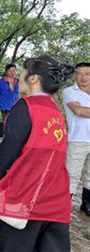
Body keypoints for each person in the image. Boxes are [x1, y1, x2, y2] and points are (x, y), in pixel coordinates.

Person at [0, 56, 74, 251]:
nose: (20, 76)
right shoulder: (54, 111)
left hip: (26, 201)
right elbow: (12, 129)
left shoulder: (26, 106)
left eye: (23, 72)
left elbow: (7, 152)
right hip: (56, 202)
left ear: (33, 79)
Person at [63, 61, 90, 216]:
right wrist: (81, 109)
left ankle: (86, 205)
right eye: (79, 73)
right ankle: (63, 207)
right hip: (78, 139)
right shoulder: (69, 91)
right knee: (71, 175)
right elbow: (78, 111)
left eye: (87, 74)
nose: (83, 77)